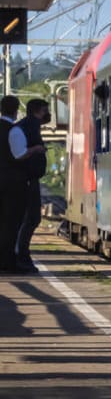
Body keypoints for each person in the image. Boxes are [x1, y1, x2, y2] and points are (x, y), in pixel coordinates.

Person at [5, 98, 49, 273]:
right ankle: (21, 255)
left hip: (29, 179)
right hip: (26, 180)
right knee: (29, 218)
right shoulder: (27, 126)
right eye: (45, 110)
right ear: (38, 110)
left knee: (28, 218)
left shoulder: (30, 125)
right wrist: (37, 151)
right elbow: (20, 153)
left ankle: (21, 254)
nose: (48, 114)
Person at [0, 95, 21, 272]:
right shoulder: (14, 130)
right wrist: (34, 150)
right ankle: (8, 261)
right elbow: (19, 155)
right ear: (16, 110)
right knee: (11, 222)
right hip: (11, 183)